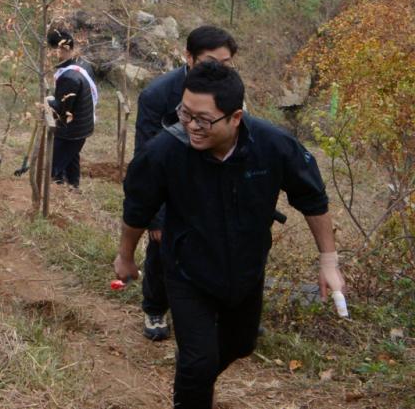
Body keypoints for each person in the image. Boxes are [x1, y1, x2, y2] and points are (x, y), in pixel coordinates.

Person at [115, 61, 340, 409]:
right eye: (184, 113)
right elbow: (137, 209)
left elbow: (312, 197)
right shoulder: (165, 151)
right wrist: (125, 256)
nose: (190, 125)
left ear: (235, 117)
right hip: (187, 269)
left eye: (203, 119)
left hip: (247, 269)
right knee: (199, 362)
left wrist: (328, 260)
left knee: (240, 345)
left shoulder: (273, 145)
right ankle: (193, 382)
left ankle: (194, 376)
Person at [132, 25, 240, 343]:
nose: (218, 69)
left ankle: (215, 309)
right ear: (188, 57)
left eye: (226, 62)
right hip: (172, 189)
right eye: (210, 61)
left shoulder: (230, 89)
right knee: (161, 250)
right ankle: (155, 308)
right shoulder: (158, 95)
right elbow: (146, 161)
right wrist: (155, 216)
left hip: (214, 187)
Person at [46, 27, 97, 188]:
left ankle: (56, 190)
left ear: (60, 49)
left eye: (51, 49)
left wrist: (48, 101)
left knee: (55, 164)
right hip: (82, 126)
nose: (50, 54)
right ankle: (73, 186)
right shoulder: (81, 63)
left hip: (71, 130)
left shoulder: (69, 77)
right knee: (71, 158)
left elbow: (62, 109)